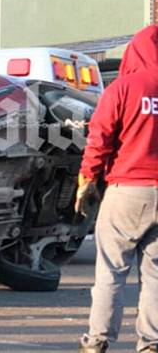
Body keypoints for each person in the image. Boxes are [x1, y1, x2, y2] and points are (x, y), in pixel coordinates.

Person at [77, 25, 158, 353]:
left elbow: (100, 138)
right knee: (155, 275)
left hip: (127, 191)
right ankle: (151, 344)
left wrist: (88, 179)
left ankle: (97, 341)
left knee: (111, 270)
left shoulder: (124, 87)